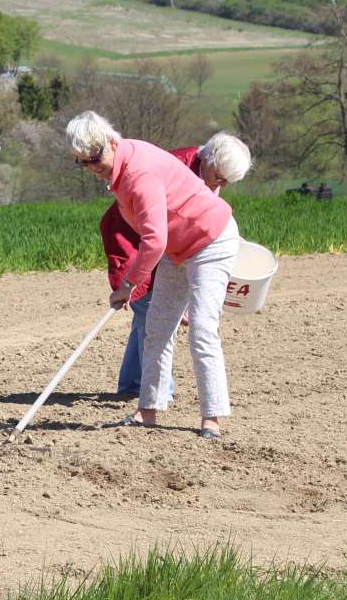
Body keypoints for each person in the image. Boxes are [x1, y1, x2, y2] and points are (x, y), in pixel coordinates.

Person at [66, 112, 240, 439]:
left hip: (212, 241)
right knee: (158, 328)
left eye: (95, 158)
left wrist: (128, 285)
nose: (92, 167)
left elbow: (154, 239)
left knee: (202, 328)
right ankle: (148, 410)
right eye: (83, 162)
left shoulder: (137, 174)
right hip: (179, 248)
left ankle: (212, 418)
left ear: (111, 143)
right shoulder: (122, 166)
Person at [101, 132, 252, 399]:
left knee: (149, 316)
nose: (221, 185)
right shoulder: (177, 165)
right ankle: (152, 392)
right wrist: (132, 283)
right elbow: (153, 235)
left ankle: (132, 387)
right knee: (150, 311)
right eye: (219, 177)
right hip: (133, 242)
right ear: (207, 159)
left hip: (166, 247)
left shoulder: (208, 173)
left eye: (227, 182)